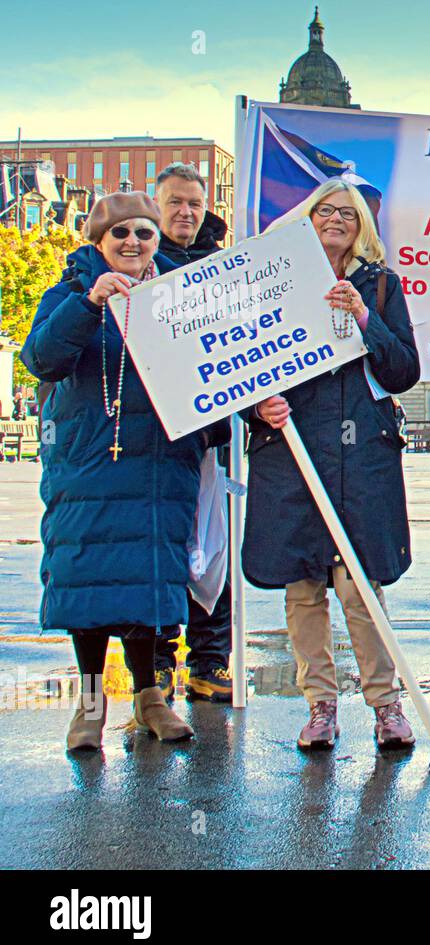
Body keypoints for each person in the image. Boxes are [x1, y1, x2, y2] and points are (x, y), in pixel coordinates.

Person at [21, 192, 230, 751]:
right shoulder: (68, 292)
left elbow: (213, 362)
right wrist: (90, 304)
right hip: (90, 461)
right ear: (98, 242)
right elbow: (41, 358)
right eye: (121, 235)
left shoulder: (179, 294)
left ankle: (150, 697)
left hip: (160, 464)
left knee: (149, 585)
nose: (133, 243)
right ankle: (90, 704)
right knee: (88, 581)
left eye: (144, 233)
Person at [245, 178, 421, 751]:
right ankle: (320, 706)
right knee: (301, 589)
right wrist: (256, 405)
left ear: (362, 226)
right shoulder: (272, 285)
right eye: (326, 211)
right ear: (307, 218)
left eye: (348, 213)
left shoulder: (382, 284)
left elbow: (403, 372)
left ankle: (385, 705)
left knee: (359, 586)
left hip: (360, 455)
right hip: (290, 450)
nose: (337, 220)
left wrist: (367, 320)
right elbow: (238, 363)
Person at [151, 162, 236, 703]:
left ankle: (210, 662)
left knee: (215, 550)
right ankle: (159, 661)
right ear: (156, 207)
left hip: (214, 429)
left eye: (194, 204)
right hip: (158, 433)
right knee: (163, 550)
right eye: (175, 203)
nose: (185, 213)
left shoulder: (223, 265)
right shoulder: (140, 262)